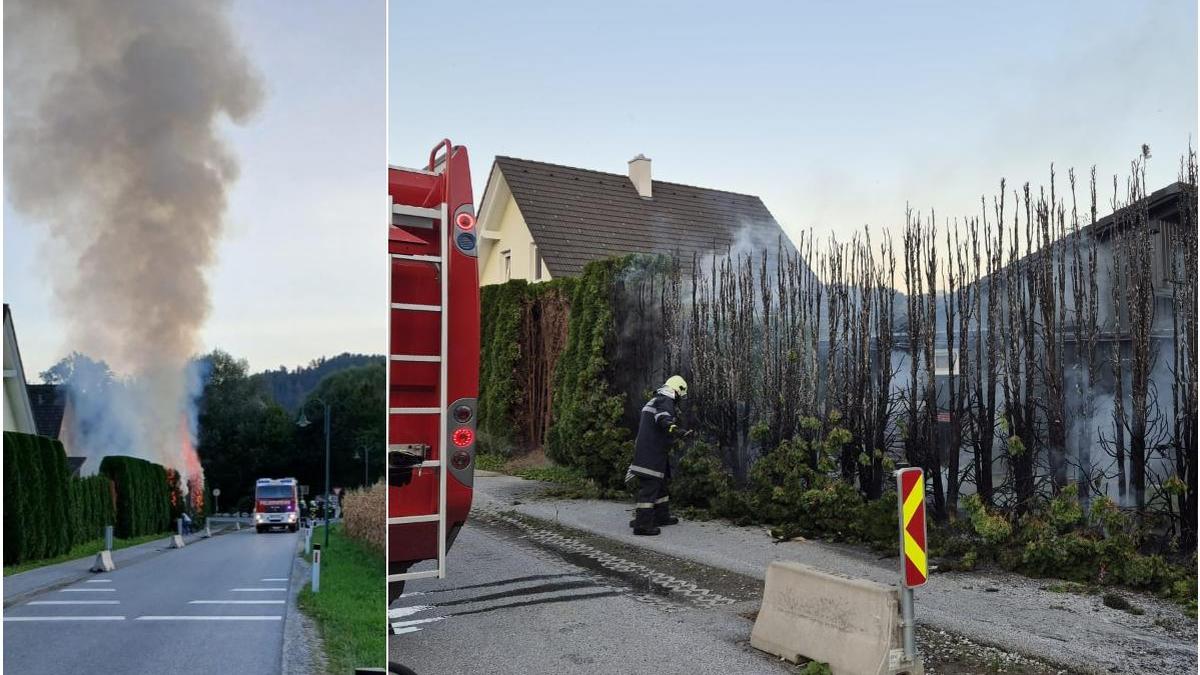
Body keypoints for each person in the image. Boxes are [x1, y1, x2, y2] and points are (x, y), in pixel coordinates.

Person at [627, 375, 691, 536]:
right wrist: (676, 430)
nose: (679, 401)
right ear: (677, 391)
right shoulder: (665, 401)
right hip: (651, 453)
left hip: (652, 451)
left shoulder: (657, 399)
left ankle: (661, 516)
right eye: (680, 397)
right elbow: (663, 420)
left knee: (660, 485)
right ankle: (642, 524)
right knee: (649, 489)